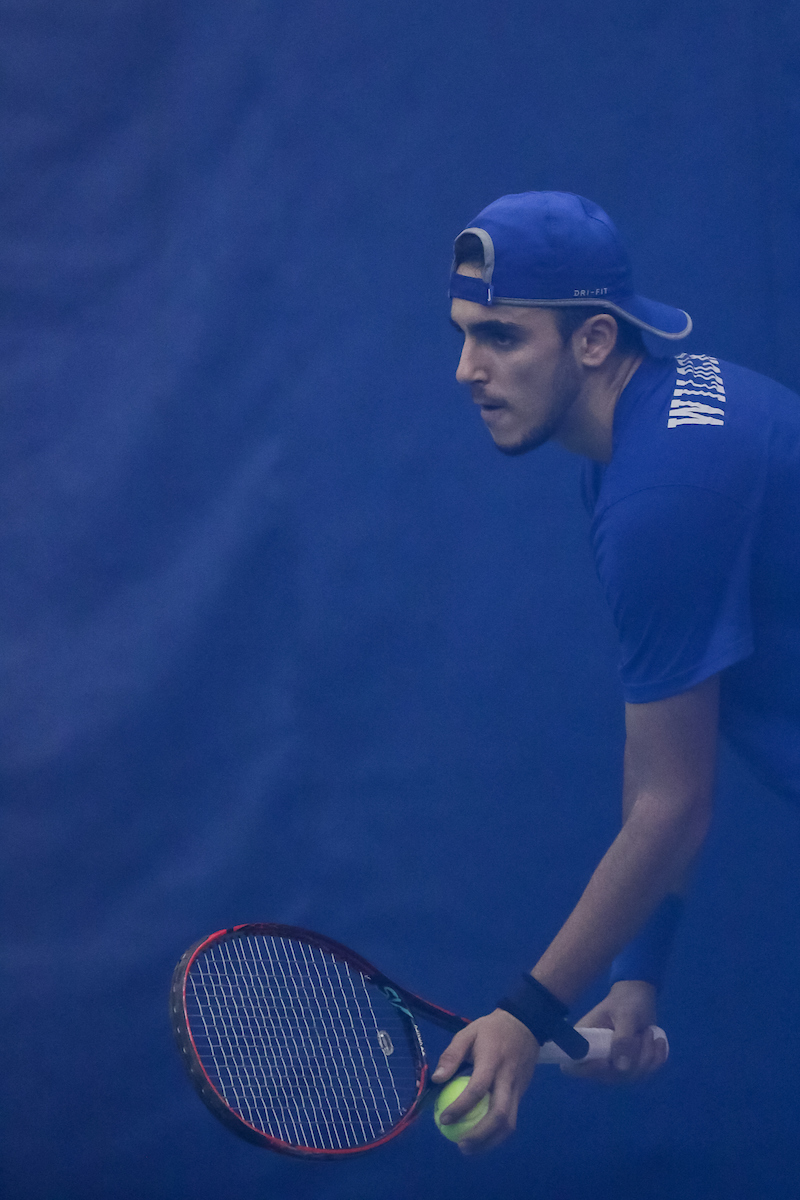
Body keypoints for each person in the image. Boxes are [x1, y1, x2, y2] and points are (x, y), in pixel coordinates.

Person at [433, 191, 800, 1154]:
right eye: (465, 333)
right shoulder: (647, 436)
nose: (467, 368)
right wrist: (636, 974)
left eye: (502, 337)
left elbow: (674, 805)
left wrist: (527, 1015)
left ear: (593, 340)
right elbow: (660, 767)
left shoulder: (658, 500)